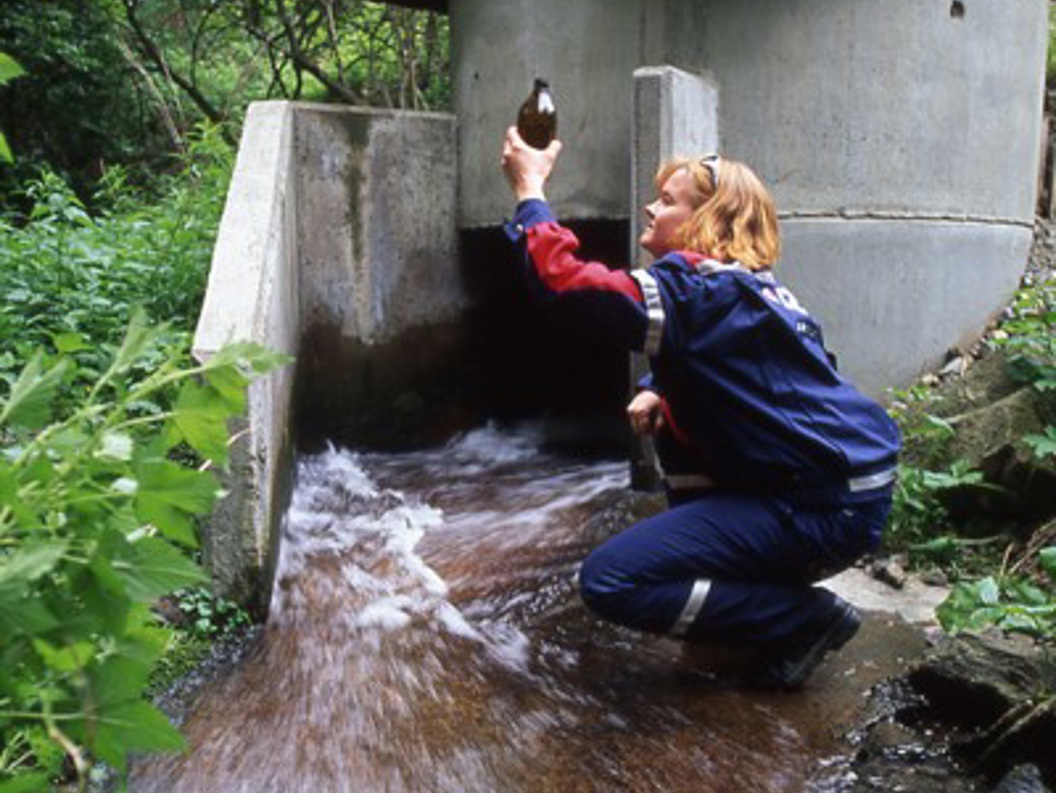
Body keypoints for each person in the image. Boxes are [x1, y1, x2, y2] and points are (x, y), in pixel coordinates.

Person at [499, 125, 901, 689]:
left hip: (822, 508)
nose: (649, 206)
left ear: (709, 222)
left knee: (612, 581)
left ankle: (802, 619)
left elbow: (570, 289)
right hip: (847, 497)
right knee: (676, 448)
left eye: (667, 201)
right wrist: (658, 385)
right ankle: (755, 608)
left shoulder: (697, 290)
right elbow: (750, 373)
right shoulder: (748, 289)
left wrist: (530, 191)